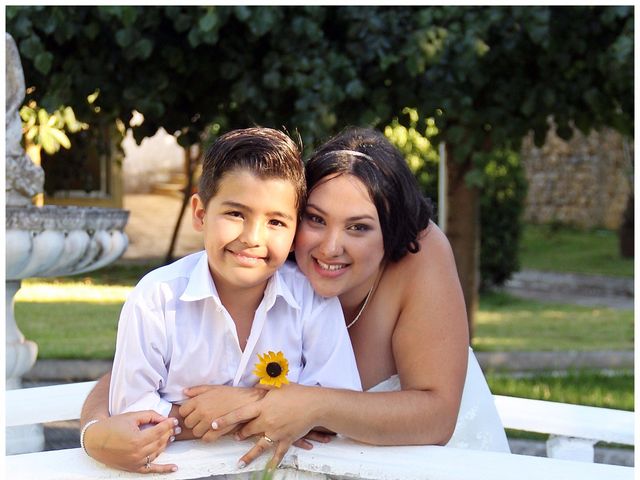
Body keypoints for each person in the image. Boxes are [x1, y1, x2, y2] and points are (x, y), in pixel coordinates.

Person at [81, 127, 509, 474]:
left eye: (359, 228)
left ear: (391, 230)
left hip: (426, 461)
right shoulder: (268, 255)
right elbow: (135, 370)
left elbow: (435, 416)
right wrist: (96, 431)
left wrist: (289, 403)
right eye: (315, 219)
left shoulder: (419, 252)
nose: (329, 247)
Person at [87, 127, 361, 473]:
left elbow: (338, 408)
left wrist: (243, 402)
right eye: (235, 214)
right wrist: (285, 411)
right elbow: (137, 425)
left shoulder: (310, 298)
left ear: (295, 234)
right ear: (201, 214)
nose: (252, 238)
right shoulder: (156, 299)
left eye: (276, 221)